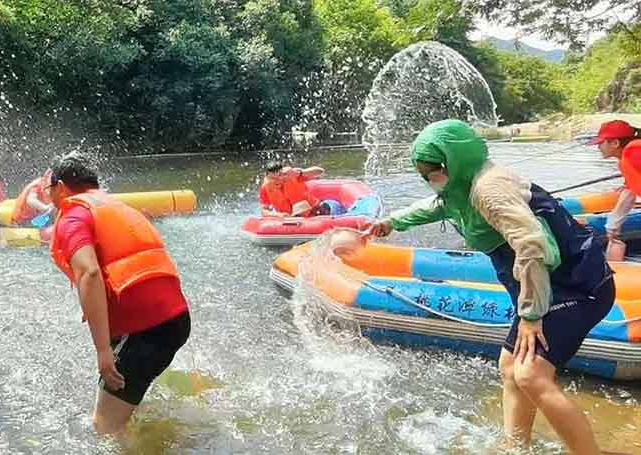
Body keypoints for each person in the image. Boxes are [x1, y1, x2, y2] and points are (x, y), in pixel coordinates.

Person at [371, 119, 613, 454]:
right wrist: (392, 222)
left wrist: (531, 316)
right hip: (547, 285)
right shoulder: (462, 186)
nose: (430, 180)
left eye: (434, 171)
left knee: (530, 374)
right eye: (423, 174)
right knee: (510, 367)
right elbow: (438, 206)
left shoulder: (489, 189)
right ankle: (516, 447)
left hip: (576, 284)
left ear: (454, 160)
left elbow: (531, 246)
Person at [47, 153, 190, 436]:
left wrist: (102, 351)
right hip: (176, 320)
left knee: (104, 428)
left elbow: (89, 273)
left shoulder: (73, 216)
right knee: (128, 408)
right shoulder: (118, 207)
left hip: (144, 330)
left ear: (61, 186)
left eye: (48, 187)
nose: (46, 193)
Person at [592, 120, 641, 253]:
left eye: (601, 143)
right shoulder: (625, 161)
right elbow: (629, 193)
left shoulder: (634, 152)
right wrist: (613, 224)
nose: (598, 147)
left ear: (615, 143)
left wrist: (613, 224)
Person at [258, 161, 328, 217]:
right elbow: (264, 211)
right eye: (272, 178)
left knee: (303, 206)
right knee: (299, 209)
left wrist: (301, 172)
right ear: (267, 177)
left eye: (279, 176)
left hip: (315, 210)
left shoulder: (292, 175)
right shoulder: (265, 188)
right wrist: (278, 215)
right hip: (290, 217)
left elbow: (320, 171)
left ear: (283, 173)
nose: (277, 180)